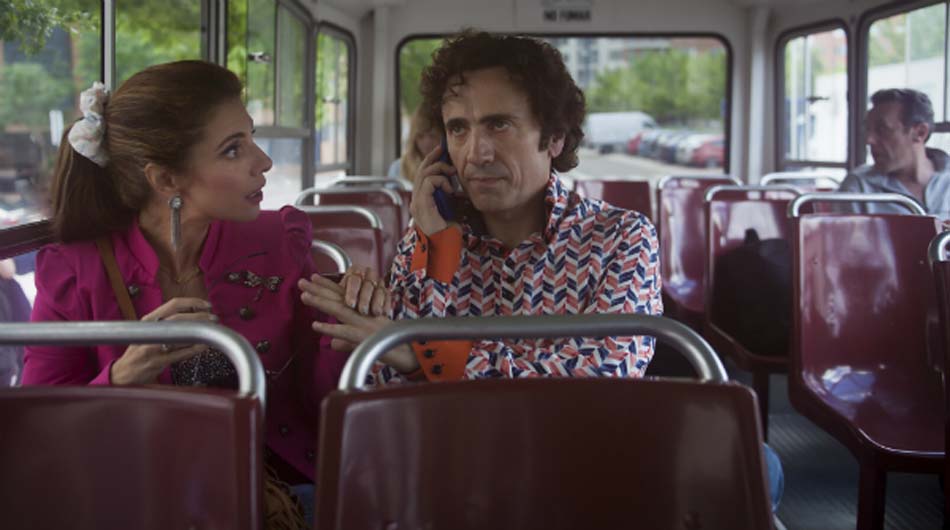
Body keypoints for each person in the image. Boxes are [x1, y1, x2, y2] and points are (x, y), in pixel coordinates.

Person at [299, 30, 783, 511]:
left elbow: (597, 385)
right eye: (458, 129)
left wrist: (425, 358)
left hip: (589, 456)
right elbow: (391, 394)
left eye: (499, 125)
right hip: (461, 455)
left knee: (755, 464)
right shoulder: (429, 238)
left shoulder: (621, 238)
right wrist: (438, 253)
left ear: (554, 137)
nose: (476, 153)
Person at [21, 61, 358, 528]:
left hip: (277, 493)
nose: (264, 162)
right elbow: (38, 426)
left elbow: (317, 397)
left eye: (252, 137)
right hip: (138, 497)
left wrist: (344, 330)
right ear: (166, 181)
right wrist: (120, 378)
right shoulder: (76, 270)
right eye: (233, 149)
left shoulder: (278, 241)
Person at [837, 88, 950, 221]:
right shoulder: (858, 188)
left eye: (882, 129)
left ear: (920, 133)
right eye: (868, 130)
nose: (869, 140)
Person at [387, 107, 441, 183]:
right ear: (413, 139)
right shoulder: (399, 167)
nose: (427, 143)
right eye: (420, 136)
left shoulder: (451, 165)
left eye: (432, 136)